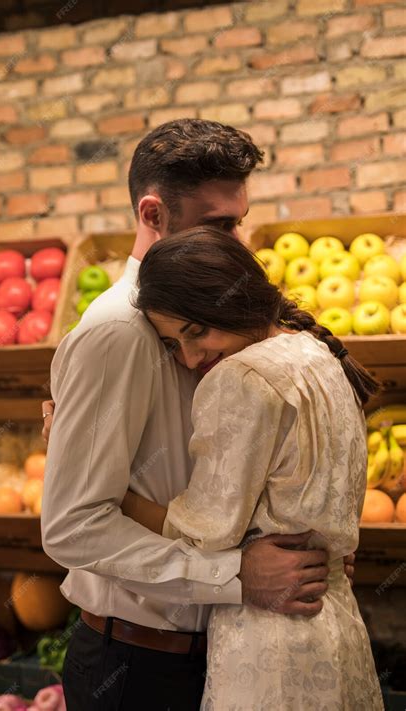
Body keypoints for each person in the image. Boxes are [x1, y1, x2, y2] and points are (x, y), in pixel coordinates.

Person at [41, 119, 353, 711]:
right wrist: (236, 575)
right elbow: (72, 524)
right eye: (220, 224)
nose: (238, 240)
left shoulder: (211, 314)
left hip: (224, 647)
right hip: (140, 666)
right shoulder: (117, 333)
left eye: (240, 220)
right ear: (153, 214)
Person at [131, 226, 383, 711]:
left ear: (236, 300)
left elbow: (206, 533)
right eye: (174, 344)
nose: (189, 357)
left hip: (273, 643)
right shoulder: (318, 353)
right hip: (338, 626)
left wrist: (109, 490)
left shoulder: (242, 377)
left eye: (196, 331)